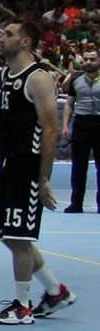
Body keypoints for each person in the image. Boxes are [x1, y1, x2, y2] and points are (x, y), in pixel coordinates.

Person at [0, 22, 75, 324]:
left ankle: (22, 306)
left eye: (9, 34)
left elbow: (51, 129)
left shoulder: (37, 78)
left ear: (25, 41)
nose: (3, 37)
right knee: (10, 236)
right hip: (7, 163)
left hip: (27, 167)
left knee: (19, 237)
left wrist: (45, 178)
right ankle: (55, 292)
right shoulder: (5, 76)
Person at [61, 50, 100, 213]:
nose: (89, 62)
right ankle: (76, 203)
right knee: (78, 166)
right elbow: (69, 103)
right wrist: (65, 125)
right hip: (81, 123)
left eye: (93, 59)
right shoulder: (76, 78)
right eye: (86, 59)